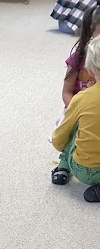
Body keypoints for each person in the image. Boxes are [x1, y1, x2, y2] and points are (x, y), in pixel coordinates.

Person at [52, 36, 100, 200]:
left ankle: (63, 165)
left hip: (84, 170)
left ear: (90, 71)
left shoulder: (82, 98)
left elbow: (60, 136)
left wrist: (59, 144)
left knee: (75, 126)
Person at [61, 3, 100, 109]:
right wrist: (76, 111)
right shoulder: (78, 58)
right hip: (78, 109)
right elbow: (67, 92)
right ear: (90, 33)